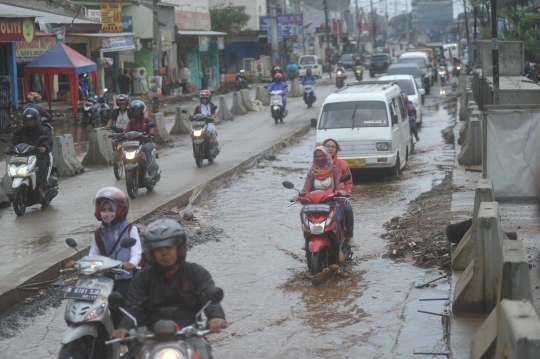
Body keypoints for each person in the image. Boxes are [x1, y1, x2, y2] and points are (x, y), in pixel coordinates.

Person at [112, 219, 226, 359]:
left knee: (203, 351)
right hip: (152, 338)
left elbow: (209, 296)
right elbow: (133, 306)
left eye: (169, 247)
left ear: (179, 248)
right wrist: (124, 326)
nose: (164, 253)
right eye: (159, 249)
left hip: (190, 335)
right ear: (151, 252)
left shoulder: (195, 273)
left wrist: (216, 317)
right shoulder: (143, 278)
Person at [66, 187, 142, 301]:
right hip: (107, 278)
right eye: (104, 209)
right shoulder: (99, 233)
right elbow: (92, 256)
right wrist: (78, 263)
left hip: (127, 277)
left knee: (120, 302)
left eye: (110, 209)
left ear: (119, 210)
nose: (107, 213)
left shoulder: (131, 229)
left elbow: (137, 252)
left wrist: (131, 263)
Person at [293, 146, 347, 261]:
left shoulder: (335, 170)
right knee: (303, 211)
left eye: (322, 155)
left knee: (337, 218)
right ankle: (306, 238)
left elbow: (339, 185)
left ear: (327, 156)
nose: (319, 158)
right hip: (314, 204)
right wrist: (299, 196)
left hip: (331, 202)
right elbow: (305, 189)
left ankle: (339, 248)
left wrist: (341, 191)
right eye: (317, 156)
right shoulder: (312, 172)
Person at [5, 108, 53, 198]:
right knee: (14, 163)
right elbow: (13, 142)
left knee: (41, 163)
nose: (29, 122)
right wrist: (9, 148)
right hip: (23, 155)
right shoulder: (20, 131)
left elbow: (48, 141)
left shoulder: (42, 131)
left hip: (38, 155)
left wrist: (44, 147)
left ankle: (41, 188)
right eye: (27, 120)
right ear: (24, 121)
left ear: (36, 120)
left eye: (31, 120)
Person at [322, 138, 356, 247]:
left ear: (337, 149)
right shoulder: (316, 166)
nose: (330, 149)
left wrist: (345, 195)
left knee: (347, 209)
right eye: (327, 146)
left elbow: (348, 182)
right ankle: (309, 236)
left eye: (333, 147)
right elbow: (310, 183)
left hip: (338, 197)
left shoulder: (341, 165)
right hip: (321, 198)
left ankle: (350, 236)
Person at [123, 100, 155, 175]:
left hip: (146, 142)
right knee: (124, 149)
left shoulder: (147, 120)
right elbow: (126, 131)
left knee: (147, 148)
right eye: (135, 110)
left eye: (138, 110)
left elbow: (151, 128)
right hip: (134, 144)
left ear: (142, 110)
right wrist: (122, 136)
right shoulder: (131, 122)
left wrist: (151, 133)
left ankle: (148, 167)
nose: (136, 112)